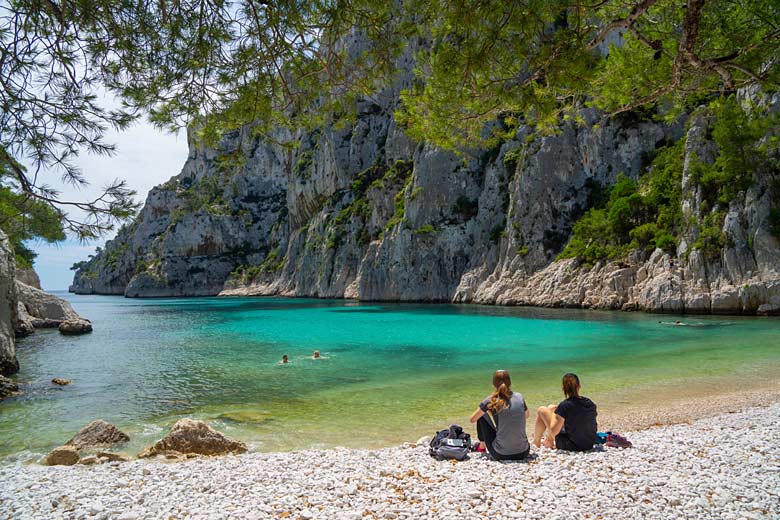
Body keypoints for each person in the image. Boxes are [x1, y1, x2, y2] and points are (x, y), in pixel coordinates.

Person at [469, 370, 530, 460]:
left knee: (482, 416)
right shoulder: (519, 397)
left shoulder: (491, 400)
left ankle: (481, 447)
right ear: (510, 383)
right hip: (523, 452)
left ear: (494, 385)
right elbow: (527, 415)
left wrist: (489, 409)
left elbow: (472, 419)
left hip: (500, 454)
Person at [533, 373, 597, 451]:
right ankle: (548, 441)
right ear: (579, 386)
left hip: (572, 445)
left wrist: (554, 414)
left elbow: (554, 431)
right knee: (552, 407)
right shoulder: (590, 403)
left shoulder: (565, 406)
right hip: (589, 443)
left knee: (541, 410)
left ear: (563, 388)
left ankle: (537, 442)